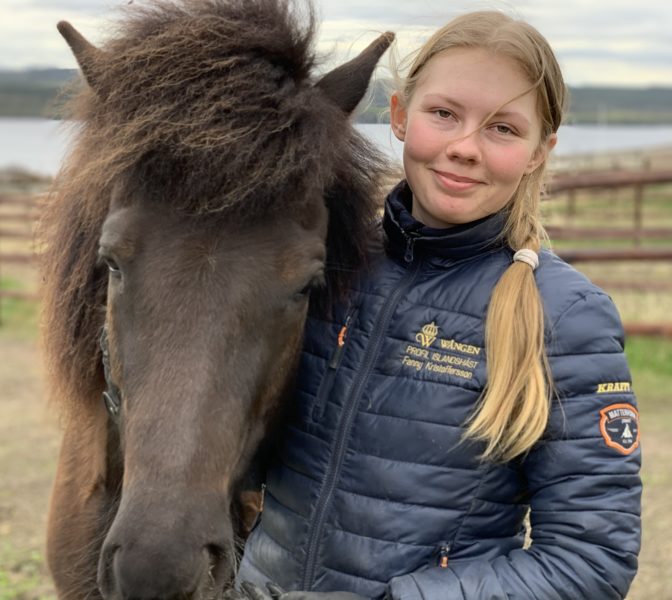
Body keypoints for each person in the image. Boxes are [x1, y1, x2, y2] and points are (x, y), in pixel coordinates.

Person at [235, 10, 641, 600]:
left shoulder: (565, 316)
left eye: (503, 129)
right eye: (444, 114)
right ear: (400, 116)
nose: (464, 148)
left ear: (538, 151)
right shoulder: (327, 270)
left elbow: (591, 560)